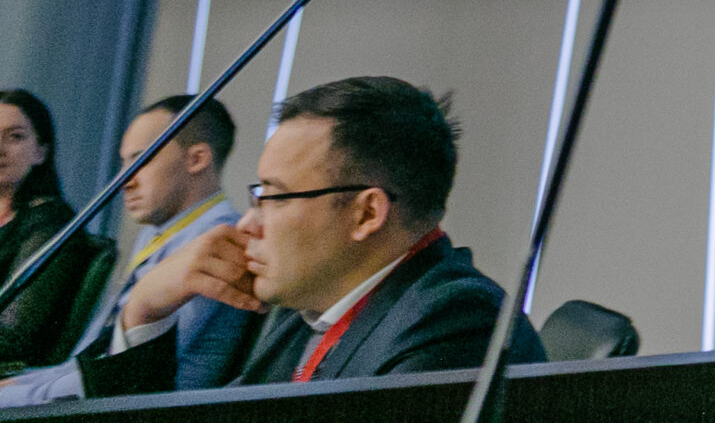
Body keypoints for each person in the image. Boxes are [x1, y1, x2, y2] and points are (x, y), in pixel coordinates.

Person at [78, 77, 544, 396]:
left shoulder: (457, 325)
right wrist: (145, 310)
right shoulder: (306, 310)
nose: (247, 224)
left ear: (366, 213)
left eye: (274, 197)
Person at [0, 95, 257, 404]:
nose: (125, 180)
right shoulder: (158, 233)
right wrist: (22, 384)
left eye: (140, 160)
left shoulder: (216, 241)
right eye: (124, 163)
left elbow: (129, 369)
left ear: (197, 159)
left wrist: (22, 393)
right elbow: (92, 358)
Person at [0, 90, 80, 370]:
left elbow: (14, 333)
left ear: (41, 152)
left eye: (15, 136)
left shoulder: (51, 222)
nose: (0, 149)